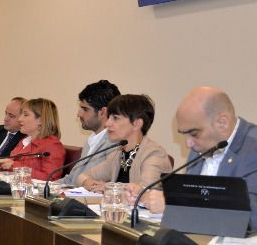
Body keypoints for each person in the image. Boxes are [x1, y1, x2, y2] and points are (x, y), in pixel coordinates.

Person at [143, 87, 257, 225]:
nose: (188, 144)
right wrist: (147, 194)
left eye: (194, 134)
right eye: (184, 134)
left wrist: (176, 206)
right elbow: (192, 194)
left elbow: (252, 217)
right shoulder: (201, 148)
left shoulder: (253, 148)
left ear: (222, 122)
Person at [76, 94, 172, 196]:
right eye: (109, 117)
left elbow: (145, 191)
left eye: (115, 118)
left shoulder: (154, 154)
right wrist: (89, 183)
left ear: (137, 124)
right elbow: (82, 176)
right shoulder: (118, 154)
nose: (107, 123)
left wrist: (109, 187)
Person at [59, 80, 121, 186]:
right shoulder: (91, 140)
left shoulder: (115, 144)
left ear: (103, 112)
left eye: (85, 109)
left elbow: (103, 186)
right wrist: (40, 188)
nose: (79, 114)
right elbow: (71, 180)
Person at [0, 98, 66, 181]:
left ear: (41, 120)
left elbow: (50, 178)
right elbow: (12, 168)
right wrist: (3, 165)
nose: (20, 119)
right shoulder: (24, 141)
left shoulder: (53, 146)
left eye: (25, 115)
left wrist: (14, 166)